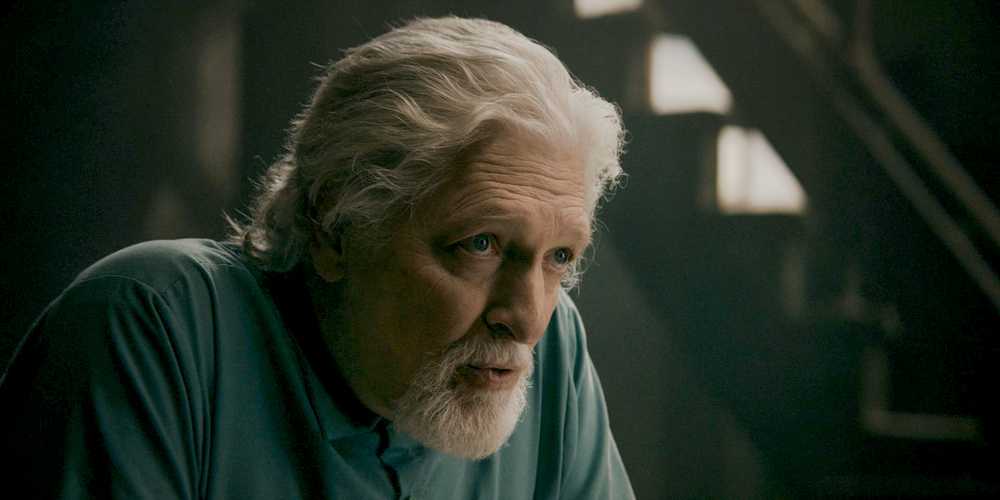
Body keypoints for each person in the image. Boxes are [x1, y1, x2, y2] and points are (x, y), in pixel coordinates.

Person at [1, 16, 634, 499]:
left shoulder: (551, 353)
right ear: (335, 226)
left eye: (559, 257)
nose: (527, 318)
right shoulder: (152, 325)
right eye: (481, 245)